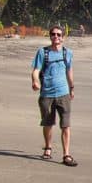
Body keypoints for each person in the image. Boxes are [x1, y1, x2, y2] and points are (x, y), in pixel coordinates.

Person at [31, 26, 77, 166]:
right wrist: (35, 81)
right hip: (46, 94)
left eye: (58, 34)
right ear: (50, 36)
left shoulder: (67, 53)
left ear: (63, 37)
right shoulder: (42, 52)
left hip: (63, 94)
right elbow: (35, 70)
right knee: (48, 123)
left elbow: (69, 71)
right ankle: (48, 148)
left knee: (65, 125)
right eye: (53, 34)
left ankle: (66, 155)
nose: (55, 36)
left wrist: (72, 88)